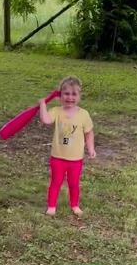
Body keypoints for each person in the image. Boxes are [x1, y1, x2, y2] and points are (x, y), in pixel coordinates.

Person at [39, 76, 96, 218]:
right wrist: (42, 105)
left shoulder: (84, 114)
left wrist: (91, 148)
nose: (70, 97)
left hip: (76, 159)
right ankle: (51, 207)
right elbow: (46, 120)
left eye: (74, 94)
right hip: (58, 157)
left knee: (74, 184)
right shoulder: (56, 111)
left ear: (79, 96)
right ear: (60, 95)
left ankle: (75, 205)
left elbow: (89, 133)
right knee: (56, 182)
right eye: (66, 93)